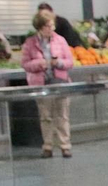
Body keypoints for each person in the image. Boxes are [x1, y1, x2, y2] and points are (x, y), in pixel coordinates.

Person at [21, 11, 74, 158]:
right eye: (48, 26)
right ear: (40, 27)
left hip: (60, 83)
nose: (51, 29)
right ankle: (48, 146)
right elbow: (25, 64)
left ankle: (65, 145)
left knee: (62, 115)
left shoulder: (61, 41)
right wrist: (41, 64)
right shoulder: (30, 43)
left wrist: (59, 63)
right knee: (46, 116)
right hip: (41, 85)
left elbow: (70, 62)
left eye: (52, 26)